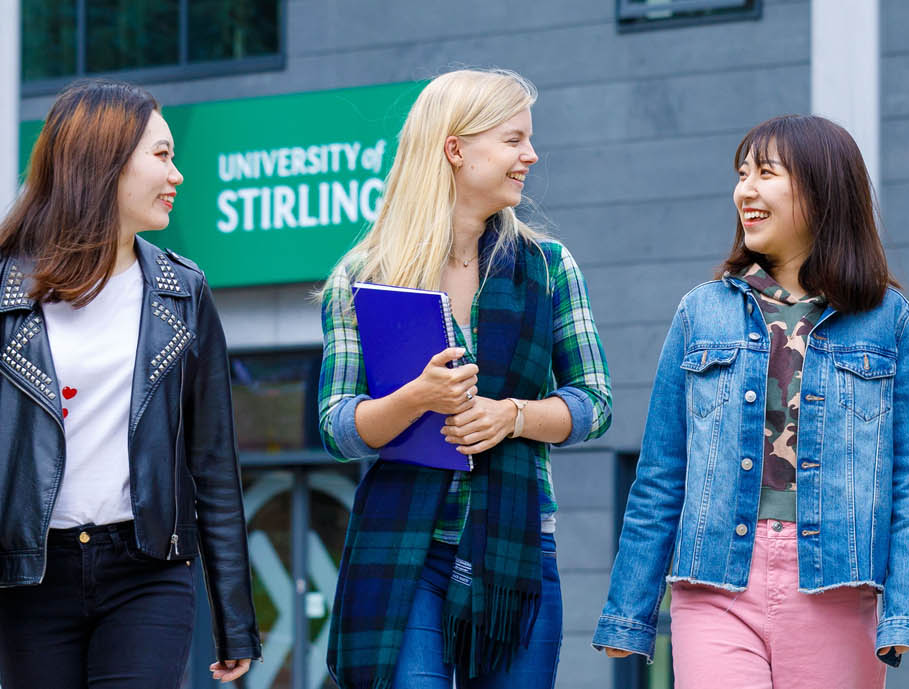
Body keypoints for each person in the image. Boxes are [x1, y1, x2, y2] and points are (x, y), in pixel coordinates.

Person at [594, 114, 909, 688]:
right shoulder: (700, 311)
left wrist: (908, 609)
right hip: (714, 582)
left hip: (834, 583)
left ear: (822, 189)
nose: (745, 190)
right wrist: (629, 610)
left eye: (765, 173)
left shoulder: (887, 319)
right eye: (741, 174)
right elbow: (662, 473)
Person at [317, 68, 613, 689]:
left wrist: (515, 416)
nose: (530, 155)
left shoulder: (549, 267)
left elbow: (595, 403)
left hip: (516, 552)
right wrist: (415, 399)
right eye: (513, 140)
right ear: (455, 149)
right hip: (405, 551)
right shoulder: (365, 275)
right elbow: (339, 427)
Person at [0, 78, 258, 687]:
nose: (178, 175)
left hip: (147, 569)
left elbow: (214, 465)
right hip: (29, 577)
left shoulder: (182, 291)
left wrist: (235, 619)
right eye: (163, 155)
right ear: (104, 161)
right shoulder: (7, 291)